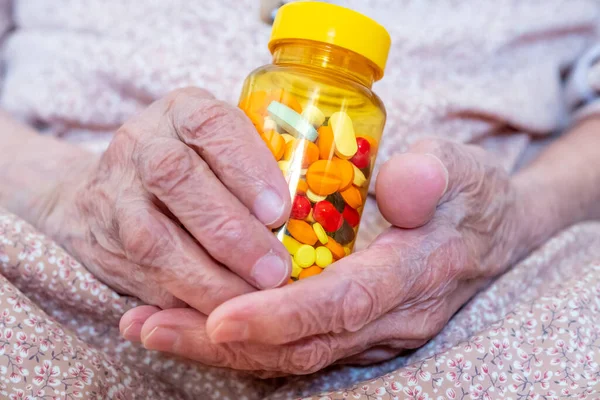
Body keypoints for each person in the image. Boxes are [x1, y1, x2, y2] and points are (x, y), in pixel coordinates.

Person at [0, 0, 599, 398]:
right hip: (58, 273)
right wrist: (59, 193)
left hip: (451, 311)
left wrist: (516, 218)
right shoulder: (274, 87)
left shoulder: (358, 112)